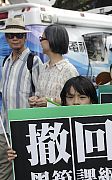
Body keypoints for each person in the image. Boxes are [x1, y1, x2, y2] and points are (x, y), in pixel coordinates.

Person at [8, 76, 112, 166]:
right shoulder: (52, 128)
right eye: (70, 97)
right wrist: (17, 155)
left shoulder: (107, 127)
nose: (75, 102)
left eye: (82, 97)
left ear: (92, 100)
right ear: (64, 101)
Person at [0, 17, 42, 180]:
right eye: (11, 35)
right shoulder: (6, 61)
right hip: (4, 126)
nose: (15, 38)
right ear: (6, 38)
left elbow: (39, 95)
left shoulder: (34, 61)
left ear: (25, 38)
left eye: (18, 35)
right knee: (4, 167)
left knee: (25, 166)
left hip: (24, 127)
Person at [28, 24, 78, 107]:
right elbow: (40, 93)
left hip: (58, 119)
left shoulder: (69, 70)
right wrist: (35, 99)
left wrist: (50, 102)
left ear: (52, 40)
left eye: (42, 38)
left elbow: (75, 100)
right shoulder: (44, 67)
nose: (40, 42)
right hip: (41, 118)